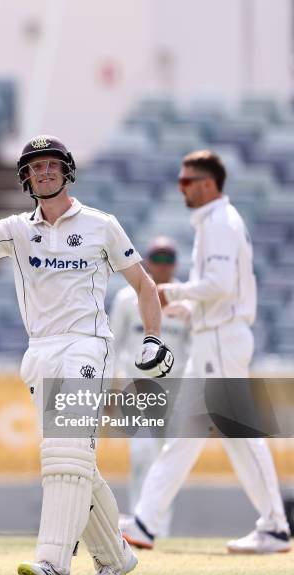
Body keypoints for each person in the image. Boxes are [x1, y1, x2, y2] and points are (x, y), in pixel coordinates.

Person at [0, 135, 174, 575]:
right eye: (34, 167)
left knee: (65, 454)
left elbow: (144, 286)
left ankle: (54, 564)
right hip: (40, 351)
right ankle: (115, 557)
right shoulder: (17, 230)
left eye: (51, 165)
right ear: (25, 178)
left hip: (87, 346)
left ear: (66, 171)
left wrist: (152, 340)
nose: (43, 172)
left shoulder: (101, 225)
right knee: (74, 464)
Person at [120, 150, 291, 554]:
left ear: (209, 183)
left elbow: (219, 286)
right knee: (185, 435)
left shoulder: (219, 223)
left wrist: (172, 292)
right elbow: (217, 290)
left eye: (187, 181)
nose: (182, 188)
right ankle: (145, 521)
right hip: (213, 335)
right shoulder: (213, 223)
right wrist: (187, 308)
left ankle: (276, 526)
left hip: (220, 339)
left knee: (241, 435)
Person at [109, 237, 190, 534]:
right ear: (146, 261)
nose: (163, 265)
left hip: (175, 389)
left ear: (176, 264)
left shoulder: (186, 301)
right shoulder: (127, 299)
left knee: (165, 460)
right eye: (158, 258)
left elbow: (194, 350)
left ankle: (158, 530)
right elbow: (113, 345)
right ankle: (140, 523)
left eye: (169, 259)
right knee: (142, 454)